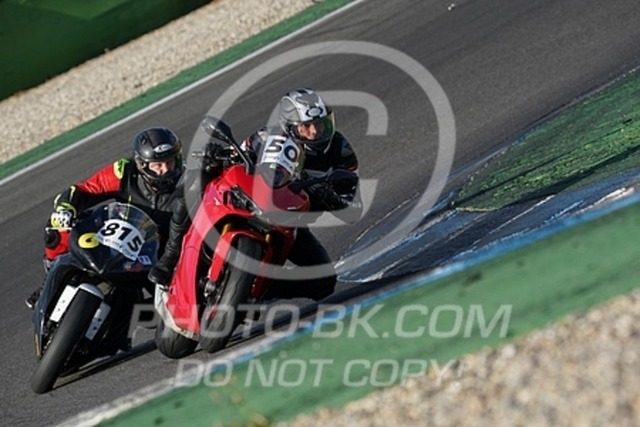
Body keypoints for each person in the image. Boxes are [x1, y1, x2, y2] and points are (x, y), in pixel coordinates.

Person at [148, 88, 360, 300]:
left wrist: (328, 196)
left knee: (323, 281)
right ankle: (170, 256)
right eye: (306, 126)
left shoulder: (341, 150)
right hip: (247, 201)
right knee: (198, 175)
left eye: (321, 124)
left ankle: (254, 293)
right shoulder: (265, 138)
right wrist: (216, 154)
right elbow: (236, 158)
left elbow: (353, 210)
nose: (315, 132)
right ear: (290, 126)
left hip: (289, 221)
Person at [25, 127, 185, 309]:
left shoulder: (190, 184)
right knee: (55, 228)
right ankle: (50, 281)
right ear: (142, 165)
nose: (166, 170)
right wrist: (65, 208)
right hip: (115, 239)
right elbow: (88, 188)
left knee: (178, 308)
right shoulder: (125, 171)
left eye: (170, 162)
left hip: (158, 259)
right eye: (158, 165)